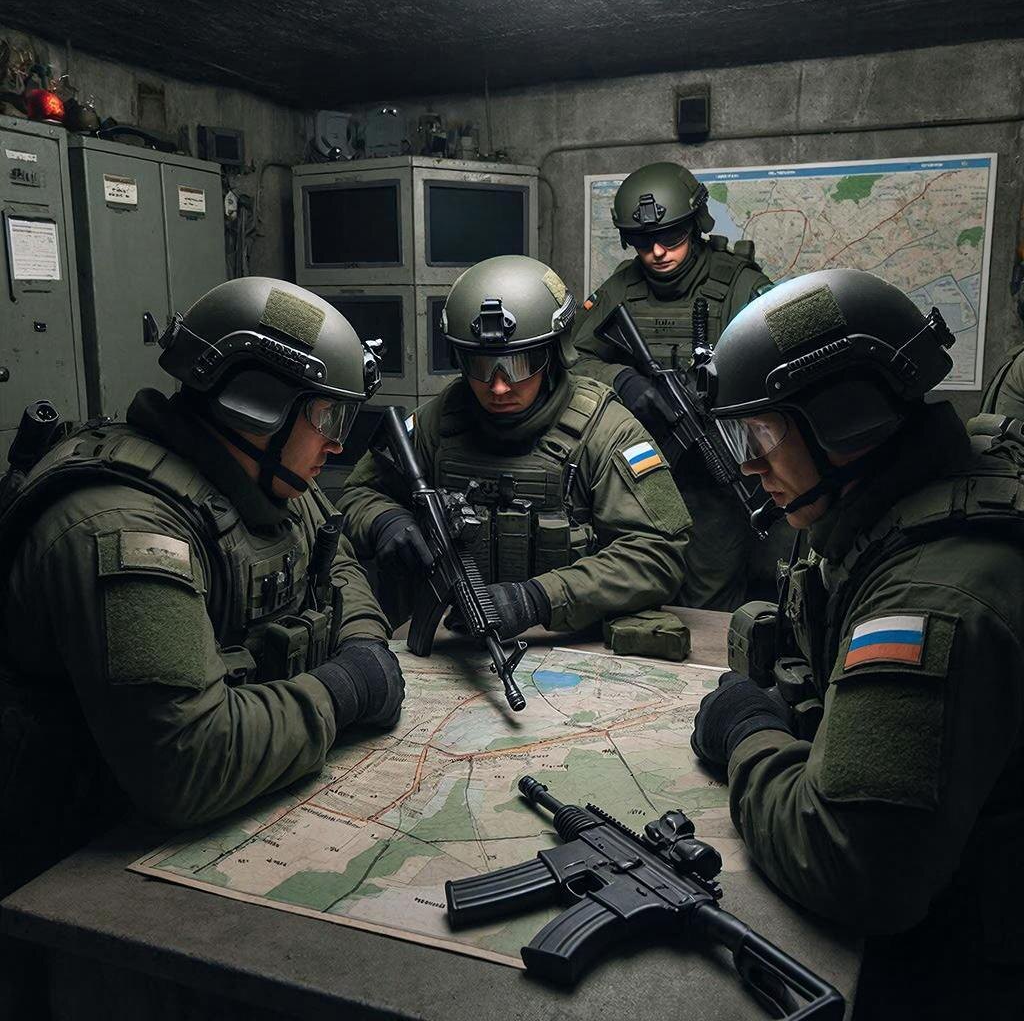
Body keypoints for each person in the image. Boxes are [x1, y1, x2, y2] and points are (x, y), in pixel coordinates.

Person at [0, 277, 406, 899]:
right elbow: (187, 761)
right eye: (326, 415)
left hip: (186, 840)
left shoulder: (265, 478)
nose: (337, 441)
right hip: (74, 868)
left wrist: (363, 643)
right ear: (257, 405)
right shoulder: (121, 527)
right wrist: (345, 689)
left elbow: (336, 560)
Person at [689, 268, 1024, 1018]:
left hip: (964, 969)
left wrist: (750, 735)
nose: (748, 464)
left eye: (762, 434)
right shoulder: (901, 498)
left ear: (846, 422)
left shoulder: (932, 598)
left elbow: (852, 866)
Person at [338, 254, 691, 644]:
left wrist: (537, 599)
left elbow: (658, 554)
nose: (499, 386)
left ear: (554, 353)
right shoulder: (438, 422)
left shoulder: (607, 431)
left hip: (570, 645)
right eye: (480, 366)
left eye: (520, 364)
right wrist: (386, 520)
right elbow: (357, 494)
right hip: (452, 641)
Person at [570, 162, 773, 611]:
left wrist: (719, 390)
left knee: (707, 604)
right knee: (637, 592)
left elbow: (780, 361)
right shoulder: (621, 288)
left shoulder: (739, 284)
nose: (658, 252)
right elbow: (571, 357)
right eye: (643, 242)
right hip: (638, 476)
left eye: (672, 237)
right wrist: (624, 381)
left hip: (716, 477)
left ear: (696, 225)